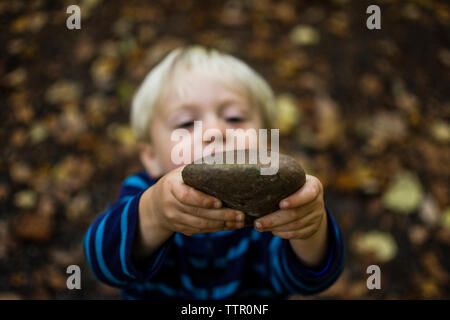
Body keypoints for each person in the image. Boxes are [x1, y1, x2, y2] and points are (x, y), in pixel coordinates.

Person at [83, 45, 345, 299]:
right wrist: (153, 214)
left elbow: (311, 281)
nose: (215, 131)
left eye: (234, 118)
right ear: (151, 156)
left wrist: (308, 227)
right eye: (186, 123)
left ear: (266, 145)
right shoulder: (142, 192)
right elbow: (104, 266)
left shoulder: (273, 208)